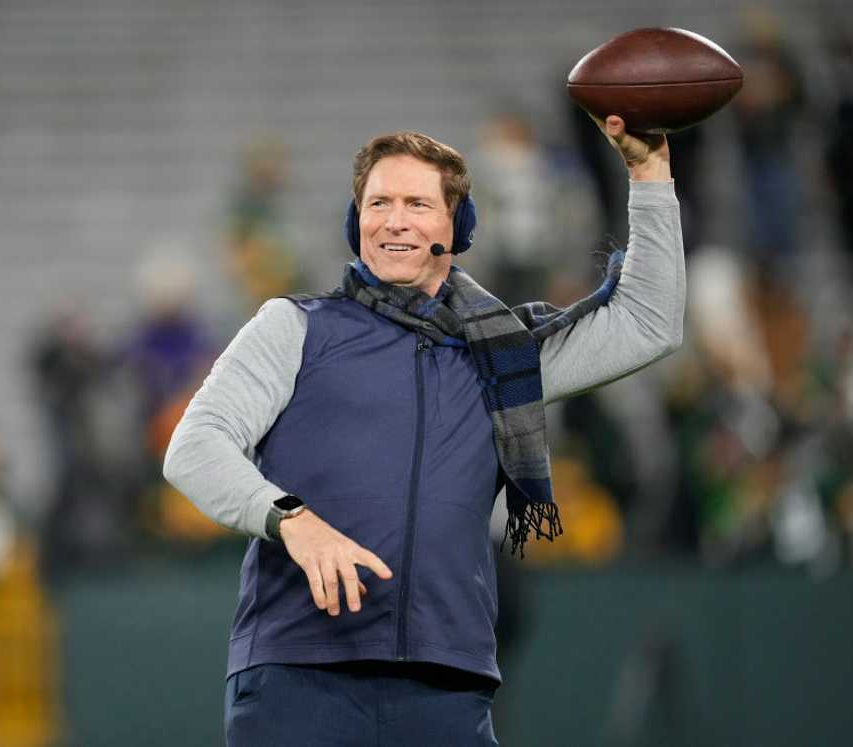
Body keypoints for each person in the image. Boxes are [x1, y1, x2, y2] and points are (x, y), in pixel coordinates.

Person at [164, 115, 684, 745]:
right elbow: (195, 446)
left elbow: (650, 323)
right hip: (300, 675)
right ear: (355, 222)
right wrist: (291, 520)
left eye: (417, 203)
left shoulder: (502, 355)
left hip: (447, 683)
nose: (394, 219)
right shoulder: (293, 327)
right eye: (377, 203)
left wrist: (648, 171)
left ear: (456, 228)